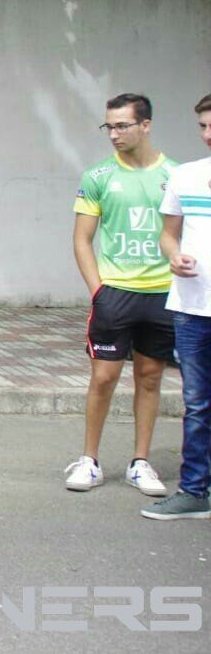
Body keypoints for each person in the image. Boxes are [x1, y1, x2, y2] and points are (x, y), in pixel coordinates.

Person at [67, 93, 175, 497]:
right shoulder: (97, 177)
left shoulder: (175, 176)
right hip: (115, 295)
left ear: (145, 125)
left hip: (162, 294)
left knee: (149, 378)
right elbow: (82, 239)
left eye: (122, 125)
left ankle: (140, 463)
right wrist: (99, 291)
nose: (113, 134)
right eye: (109, 126)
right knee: (104, 377)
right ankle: (89, 461)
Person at [144, 94, 211, 520]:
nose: (208, 135)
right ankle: (194, 491)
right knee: (198, 404)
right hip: (191, 309)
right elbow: (169, 234)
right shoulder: (187, 176)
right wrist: (173, 255)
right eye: (203, 126)